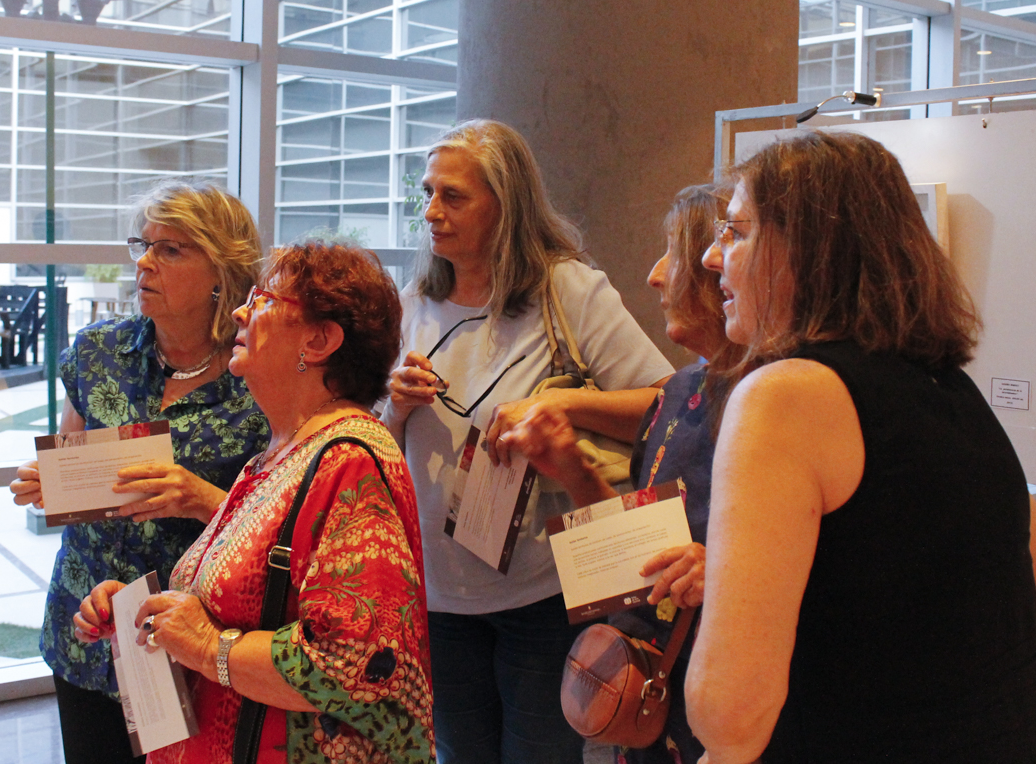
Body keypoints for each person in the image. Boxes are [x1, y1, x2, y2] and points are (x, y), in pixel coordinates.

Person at [684, 131, 1036, 763]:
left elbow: (729, 713)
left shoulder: (784, 396)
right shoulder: (948, 385)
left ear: (808, 248)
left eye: (736, 232)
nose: (710, 256)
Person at [382, 118, 673, 764]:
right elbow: (376, 445)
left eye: (453, 196)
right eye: (427, 193)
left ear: (505, 204)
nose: (431, 212)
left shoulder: (567, 291)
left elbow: (667, 405)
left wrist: (564, 402)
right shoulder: (415, 303)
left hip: (544, 595)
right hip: (439, 596)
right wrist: (394, 407)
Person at [76, 242, 435, 764]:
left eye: (262, 300)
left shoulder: (349, 461)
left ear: (318, 340)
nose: (240, 313)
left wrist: (208, 648)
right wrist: (146, 612)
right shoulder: (278, 455)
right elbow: (240, 607)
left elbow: (358, 664)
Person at [9, 181, 270, 764]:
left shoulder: (256, 376)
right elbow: (73, 457)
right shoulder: (98, 351)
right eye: (143, 245)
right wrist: (47, 481)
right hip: (87, 621)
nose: (145, 262)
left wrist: (202, 497)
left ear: (221, 272)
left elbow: (281, 525)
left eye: (170, 249)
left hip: (191, 640)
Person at [503, 184, 738, 764]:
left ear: (719, 270)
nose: (655, 276)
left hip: (727, 702)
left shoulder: (775, 402)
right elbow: (636, 559)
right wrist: (572, 467)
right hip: (651, 700)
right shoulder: (679, 392)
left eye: (673, 255)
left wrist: (722, 570)